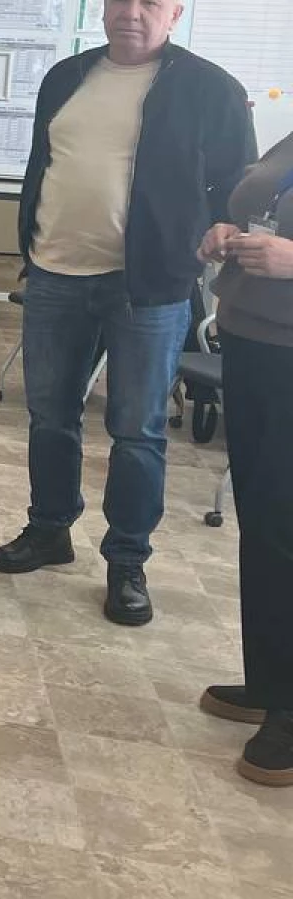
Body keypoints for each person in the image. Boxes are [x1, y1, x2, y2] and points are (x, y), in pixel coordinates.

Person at [0, 0, 253, 628]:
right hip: (55, 272)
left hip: (149, 288)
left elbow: (237, 185)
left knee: (136, 430)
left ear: (174, 14)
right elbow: (44, 164)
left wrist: (222, 226)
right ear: (103, 5)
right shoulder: (67, 76)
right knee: (50, 415)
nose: (130, 13)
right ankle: (49, 528)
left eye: (148, 3)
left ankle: (127, 560)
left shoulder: (211, 89)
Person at [197, 134, 293, 783]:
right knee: (262, 524)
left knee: (286, 527)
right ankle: (270, 681)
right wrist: (226, 233)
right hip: (252, 340)